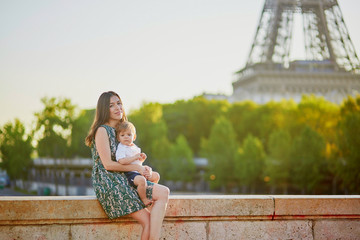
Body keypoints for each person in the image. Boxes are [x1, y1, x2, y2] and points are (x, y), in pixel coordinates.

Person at [85, 91, 169, 240]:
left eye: (119, 103)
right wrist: (137, 168)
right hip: (110, 182)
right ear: (105, 109)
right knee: (147, 221)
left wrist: (143, 168)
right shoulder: (102, 130)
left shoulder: (122, 130)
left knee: (164, 192)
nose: (118, 107)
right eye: (112, 105)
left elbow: (128, 158)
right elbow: (108, 165)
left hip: (125, 177)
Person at [115, 121, 160, 207]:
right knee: (141, 180)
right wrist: (135, 157)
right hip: (129, 173)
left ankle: (152, 193)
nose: (126, 137)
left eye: (129, 135)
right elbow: (122, 161)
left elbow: (138, 163)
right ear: (118, 138)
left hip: (139, 171)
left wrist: (141, 159)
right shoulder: (121, 147)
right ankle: (144, 199)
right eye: (122, 135)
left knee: (156, 176)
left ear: (134, 137)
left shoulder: (135, 147)